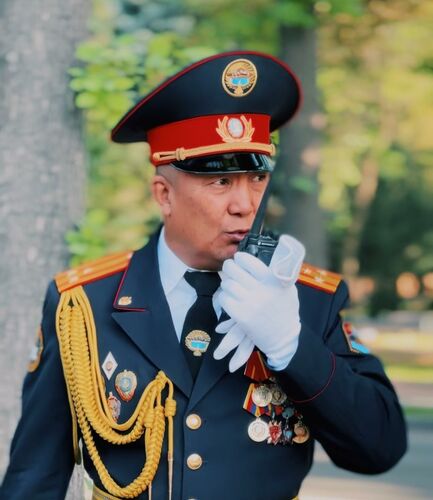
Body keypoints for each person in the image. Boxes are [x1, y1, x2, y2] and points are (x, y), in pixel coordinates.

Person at [1, 51, 406, 500]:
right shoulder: (84, 305)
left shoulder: (306, 299)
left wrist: (290, 344)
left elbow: (379, 447)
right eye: (221, 182)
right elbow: (34, 477)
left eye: (256, 179)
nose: (245, 205)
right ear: (164, 195)